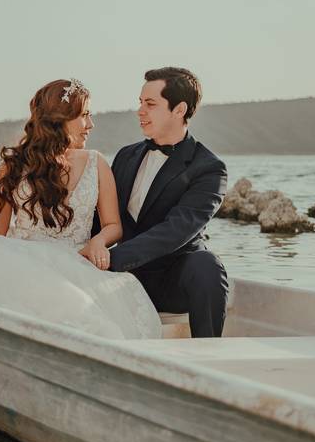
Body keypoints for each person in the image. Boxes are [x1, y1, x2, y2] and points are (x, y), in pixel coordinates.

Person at [0, 79, 162, 340]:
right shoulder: (11, 166)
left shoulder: (96, 163)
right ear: (61, 119)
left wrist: (99, 241)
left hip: (73, 264)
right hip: (16, 263)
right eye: (85, 115)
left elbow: (114, 226)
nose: (91, 125)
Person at [95, 67, 229, 338]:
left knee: (207, 266)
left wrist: (110, 259)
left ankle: (208, 356)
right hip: (123, 278)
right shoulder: (125, 156)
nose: (140, 111)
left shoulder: (209, 168)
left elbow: (176, 231)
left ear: (179, 110)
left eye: (151, 104)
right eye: (140, 102)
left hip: (171, 279)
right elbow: (103, 217)